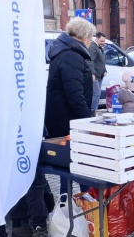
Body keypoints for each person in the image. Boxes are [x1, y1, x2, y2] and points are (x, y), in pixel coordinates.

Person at [44, 17, 95, 230]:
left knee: (66, 166)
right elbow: (75, 95)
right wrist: (88, 121)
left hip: (61, 119)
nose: (92, 41)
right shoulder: (72, 57)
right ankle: (88, 207)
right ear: (84, 37)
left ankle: (70, 206)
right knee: (80, 164)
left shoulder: (63, 53)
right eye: (91, 36)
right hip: (70, 122)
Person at [89, 32, 107, 114]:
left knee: (97, 93)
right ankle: (93, 110)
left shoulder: (100, 47)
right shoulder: (93, 47)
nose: (103, 43)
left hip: (100, 75)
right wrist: (92, 73)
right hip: (95, 75)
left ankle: (94, 109)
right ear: (96, 38)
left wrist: (104, 70)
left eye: (104, 41)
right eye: (101, 41)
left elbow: (101, 61)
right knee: (96, 93)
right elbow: (90, 61)